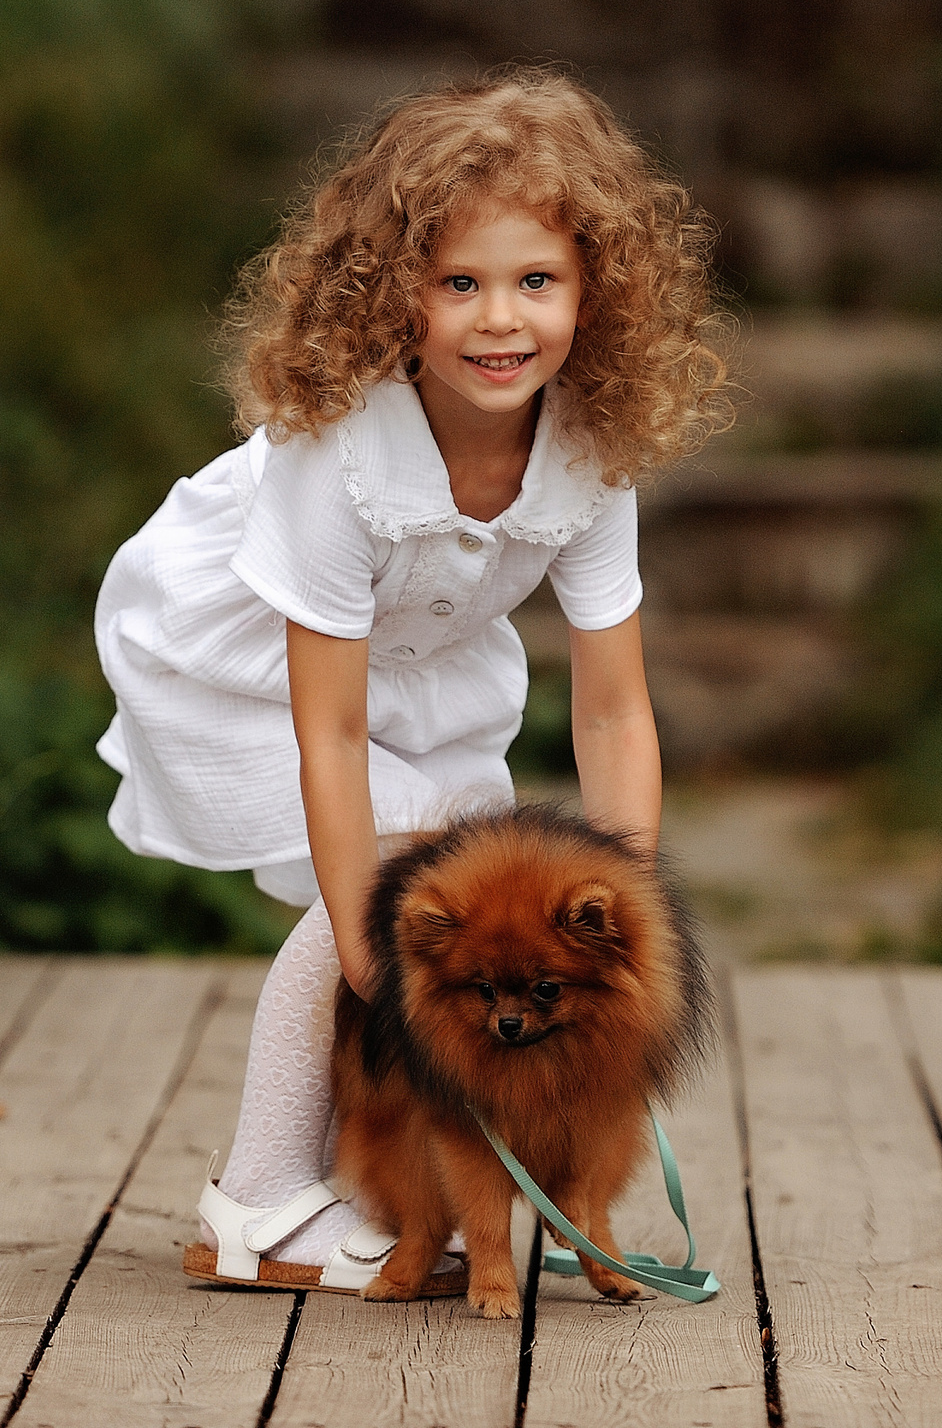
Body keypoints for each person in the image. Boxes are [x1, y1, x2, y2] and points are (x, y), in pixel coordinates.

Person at [94, 67, 732, 1292]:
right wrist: (357, 936)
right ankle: (256, 1202)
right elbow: (327, 735)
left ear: (594, 291)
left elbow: (611, 710)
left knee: (471, 893)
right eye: (458, 284)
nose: (501, 321)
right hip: (238, 664)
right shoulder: (338, 458)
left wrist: (625, 900)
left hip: (419, 671)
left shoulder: (589, 454)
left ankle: (371, 1182)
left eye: (536, 281)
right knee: (394, 892)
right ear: (395, 297)